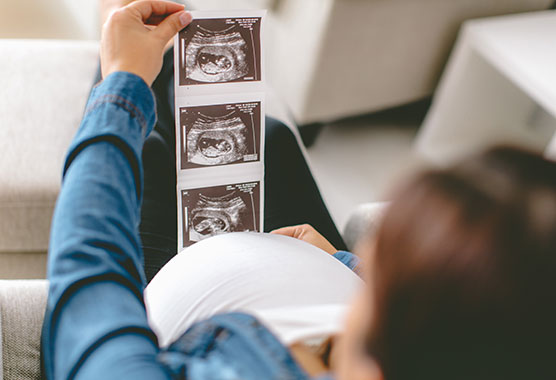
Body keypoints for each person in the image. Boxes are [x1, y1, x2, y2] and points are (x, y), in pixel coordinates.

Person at [42, 1, 556, 379]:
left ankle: (122, 41)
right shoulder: (492, 344)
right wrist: (343, 262)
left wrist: (122, 82)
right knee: (271, 137)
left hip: (168, 293)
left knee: (148, 149)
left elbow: (89, 270)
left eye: (381, 273)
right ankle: (164, 53)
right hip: (295, 255)